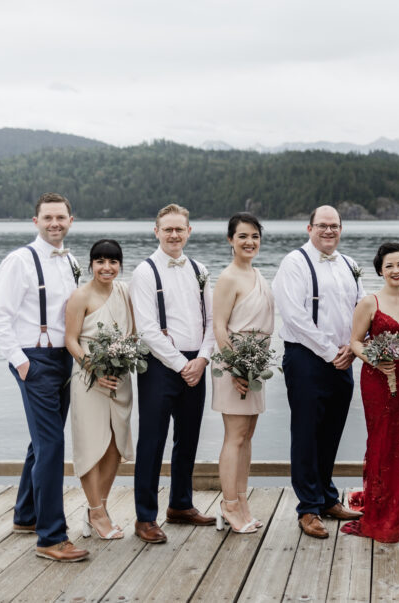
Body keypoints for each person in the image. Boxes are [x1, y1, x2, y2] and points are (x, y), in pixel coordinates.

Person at [0, 192, 89, 562]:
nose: (54, 223)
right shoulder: (19, 261)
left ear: (70, 221)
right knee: (51, 448)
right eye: (47, 218)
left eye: (61, 217)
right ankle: (50, 537)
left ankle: (26, 516)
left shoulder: (73, 261)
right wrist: (21, 362)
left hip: (65, 359)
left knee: (42, 443)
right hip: (35, 360)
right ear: (36, 221)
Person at [272, 205, 365, 539]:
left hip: (343, 358)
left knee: (332, 431)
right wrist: (330, 352)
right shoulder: (294, 263)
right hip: (307, 358)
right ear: (308, 228)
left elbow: (362, 308)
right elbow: (294, 316)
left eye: (335, 226)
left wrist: (354, 348)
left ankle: (327, 497)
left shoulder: (350, 264)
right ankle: (308, 508)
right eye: (322, 225)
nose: (329, 231)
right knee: (307, 432)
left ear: (341, 229)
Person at [130, 203, 216, 544]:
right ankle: (145, 516)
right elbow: (148, 329)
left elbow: (211, 321)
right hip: (160, 365)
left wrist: (204, 359)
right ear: (156, 231)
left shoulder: (200, 269)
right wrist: (182, 364)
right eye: (168, 229)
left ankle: (181, 503)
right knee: (152, 441)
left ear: (189, 231)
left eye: (180, 228)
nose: (174, 234)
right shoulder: (145, 272)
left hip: (197, 363)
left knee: (188, 437)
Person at [345, 242, 399, 542]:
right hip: (377, 381)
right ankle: (383, 511)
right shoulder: (370, 303)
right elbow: (355, 341)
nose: (396, 270)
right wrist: (376, 360)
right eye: (389, 266)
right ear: (380, 270)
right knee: (382, 440)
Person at [64, 239, 136, 541]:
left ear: (120, 265)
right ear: (91, 264)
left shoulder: (125, 292)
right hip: (88, 378)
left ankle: (100, 508)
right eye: (100, 261)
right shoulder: (80, 296)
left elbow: (133, 332)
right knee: (90, 446)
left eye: (113, 262)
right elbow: (71, 340)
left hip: (119, 378)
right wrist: (94, 369)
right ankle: (95, 511)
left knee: (113, 445)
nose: (107, 268)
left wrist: (122, 361)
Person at [211, 213, 274, 534]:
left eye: (255, 236)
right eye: (243, 237)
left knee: (247, 437)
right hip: (233, 366)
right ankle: (229, 505)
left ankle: (242, 500)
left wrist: (255, 365)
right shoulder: (228, 278)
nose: (250, 242)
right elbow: (219, 326)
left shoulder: (257, 274)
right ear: (230, 240)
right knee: (234, 437)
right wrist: (235, 366)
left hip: (255, 366)